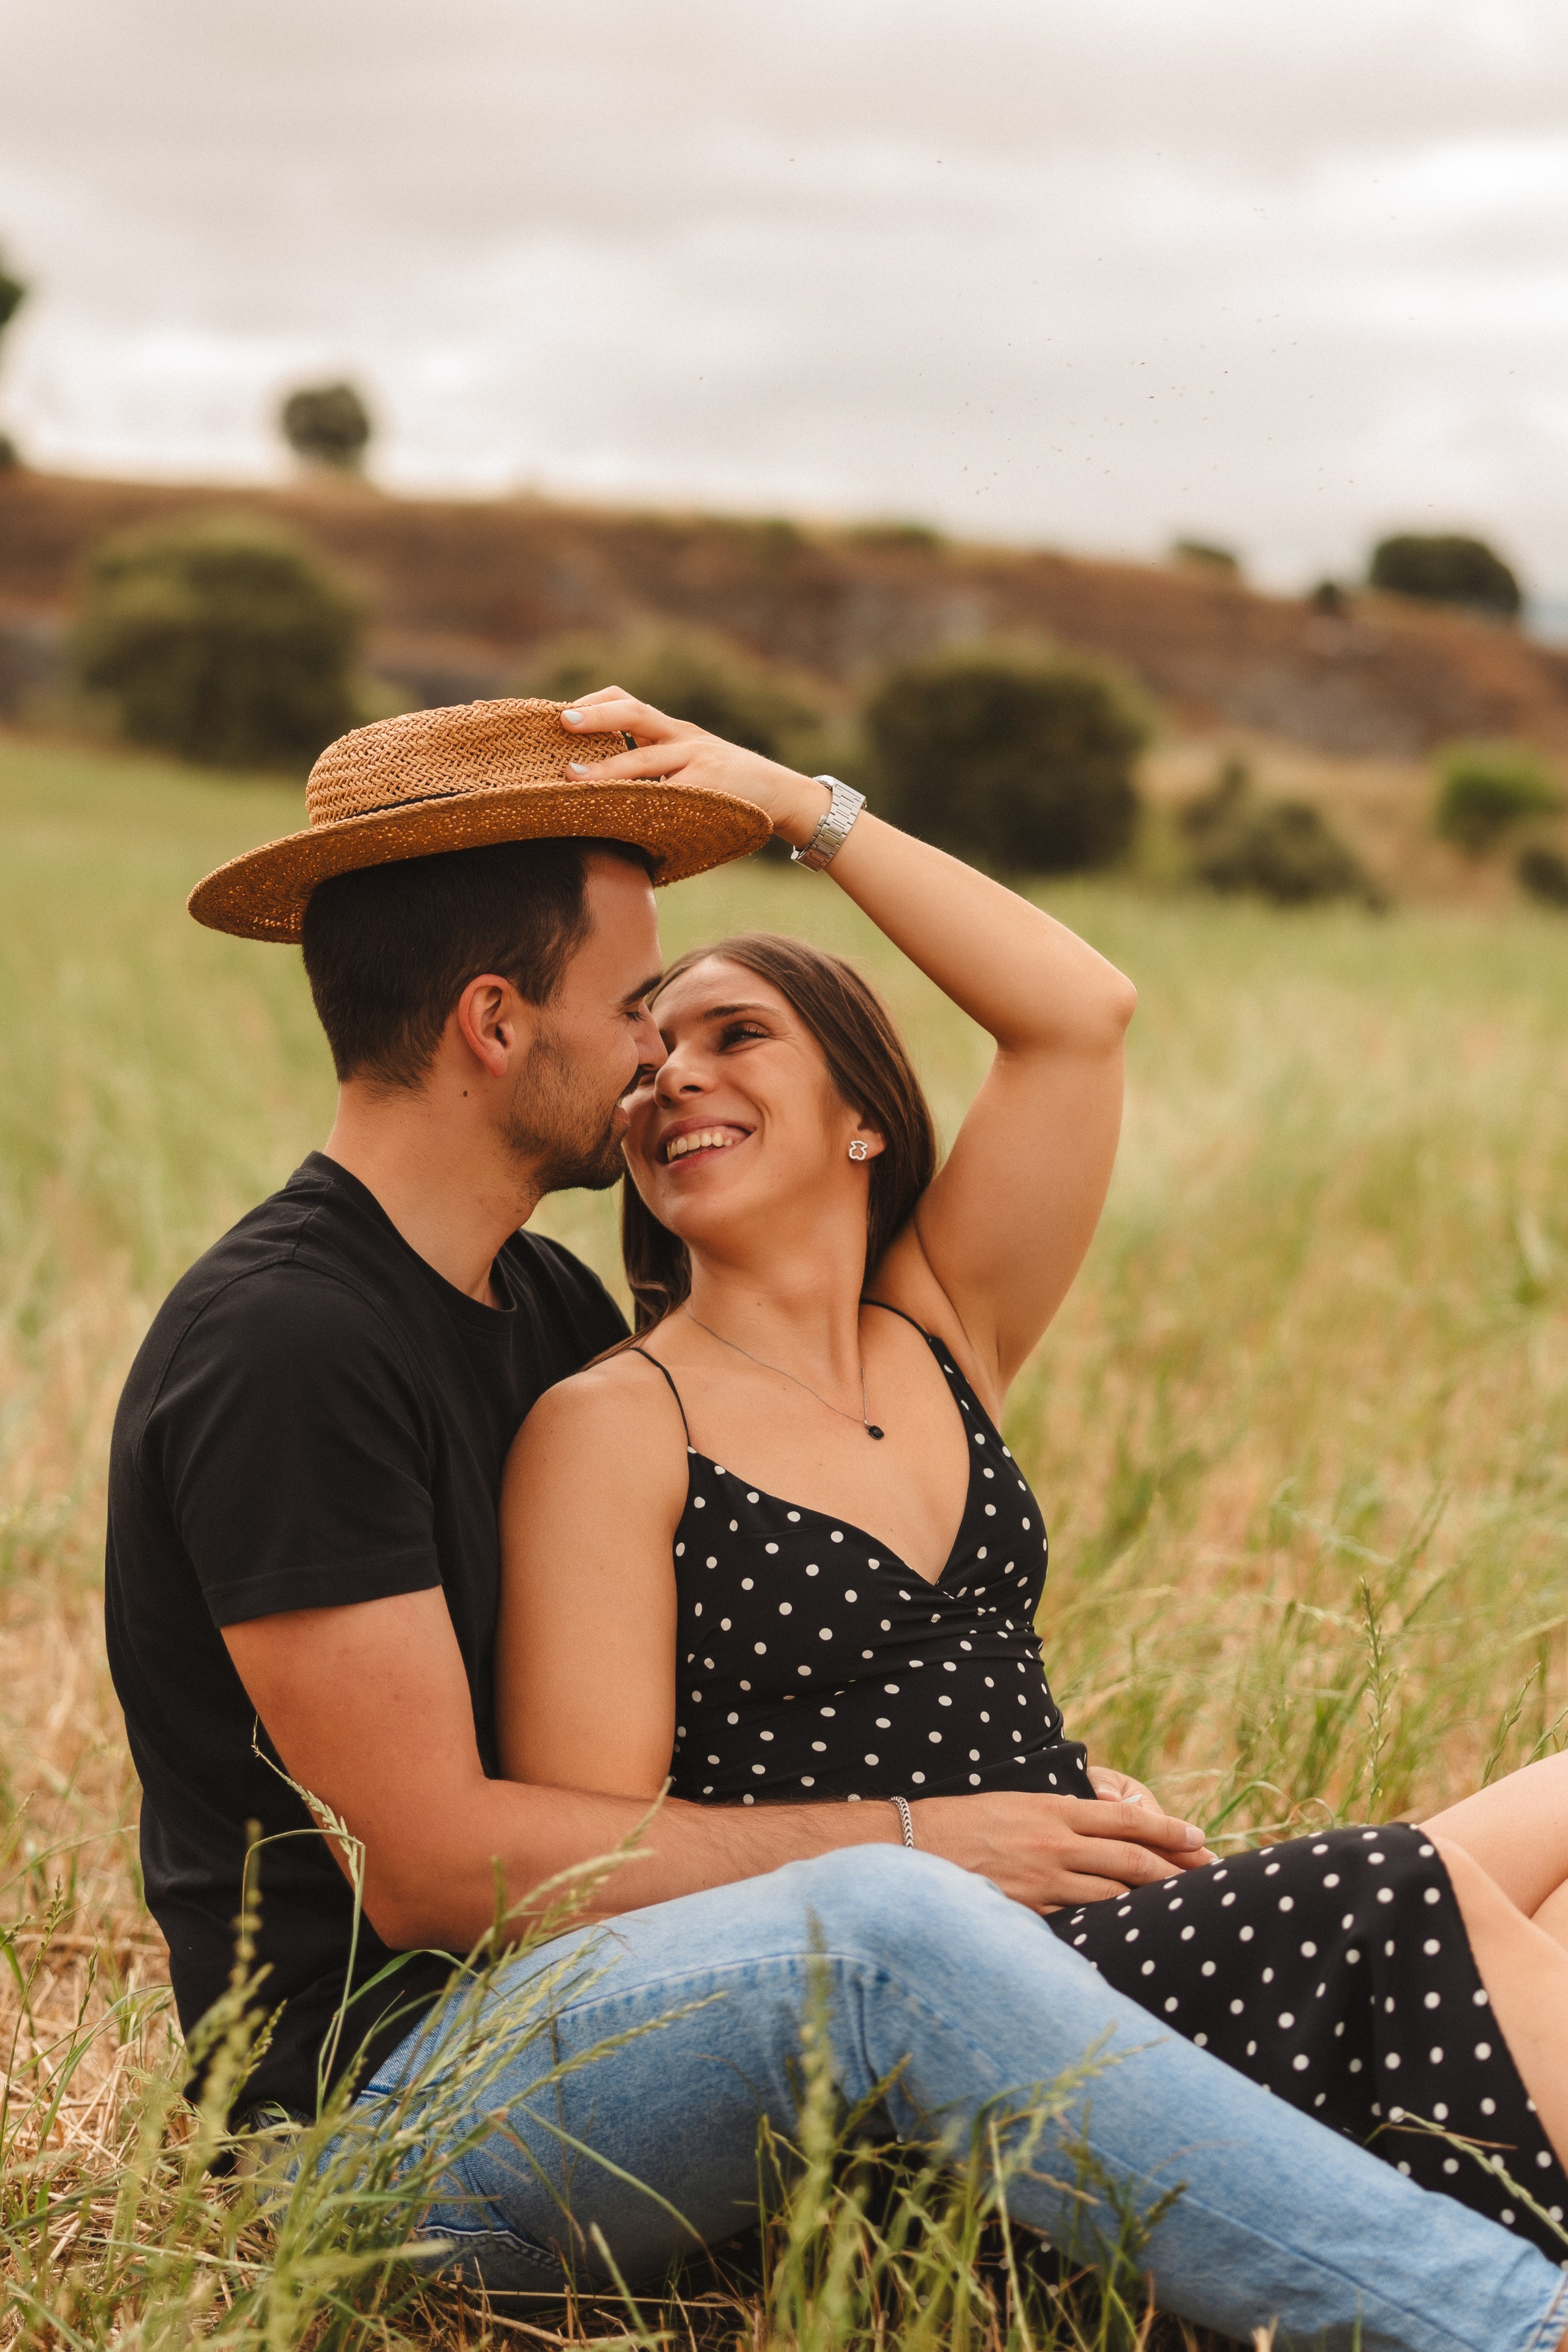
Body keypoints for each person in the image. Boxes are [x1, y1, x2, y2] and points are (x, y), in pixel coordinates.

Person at [105, 695, 1567, 2352]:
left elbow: (1077, 1017)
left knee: (1478, 1889)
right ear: (497, 1023)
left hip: (686, 2020)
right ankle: (1511, 2326)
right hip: (397, 2119)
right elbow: (443, 1871)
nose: (662, 1058)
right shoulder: (290, 1345)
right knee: (913, 1926)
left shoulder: (539, 1305)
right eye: (642, 1007)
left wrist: (802, 803)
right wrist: (939, 1836)